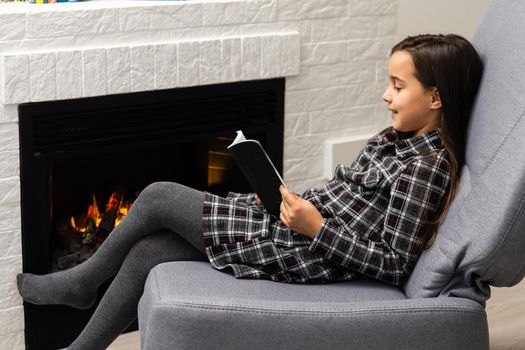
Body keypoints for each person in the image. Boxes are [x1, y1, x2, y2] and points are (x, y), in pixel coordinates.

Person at [16, 33, 483, 350]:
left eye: (398, 86)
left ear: (436, 98)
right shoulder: (395, 139)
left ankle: (81, 283)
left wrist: (315, 226)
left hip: (308, 251)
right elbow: (350, 201)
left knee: (157, 194)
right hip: (296, 225)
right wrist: (294, 202)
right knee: (150, 250)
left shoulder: (426, 167)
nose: (386, 94)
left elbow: (392, 262)